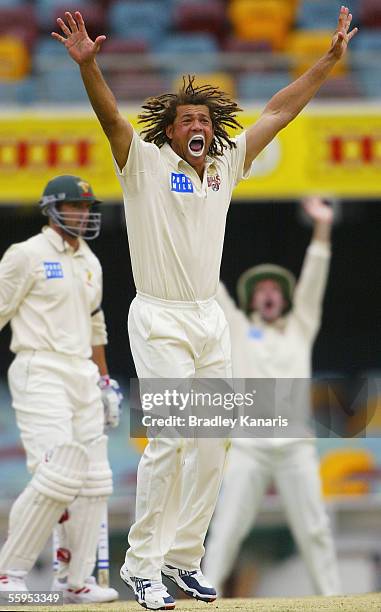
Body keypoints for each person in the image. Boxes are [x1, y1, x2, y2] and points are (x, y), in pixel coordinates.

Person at [52, 7, 356, 610]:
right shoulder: (144, 161)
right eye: (185, 117)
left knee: (215, 441)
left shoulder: (225, 164)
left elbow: (278, 111)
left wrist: (325, 62)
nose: (195, 122)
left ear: (214, 130)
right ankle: (141, 566)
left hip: (208, 320)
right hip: (159, 315)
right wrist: (90, 68)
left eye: (203, 118)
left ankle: (184, 561)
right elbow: (111, 115)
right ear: (169, 128)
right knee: (170, 439)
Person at [203, 197, 341, 597]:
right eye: (260, 289)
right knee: (227, 526)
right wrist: (197, 227)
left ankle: (333, 600)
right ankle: (206, 595)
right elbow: (211, 284)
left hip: (296, 446)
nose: (267, 294)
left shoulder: (301, 326)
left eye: (274, 289)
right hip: (250, 445)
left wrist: (322, 228)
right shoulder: (240, 328)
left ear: (283, 297)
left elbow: (315, 277)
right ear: (251, 299)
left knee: (315, 527)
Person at [0, 175, 122, 604]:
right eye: (75, 207)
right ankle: (8, 572)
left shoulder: (90, 260)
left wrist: (105, 381)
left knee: (94, 481)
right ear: (52, 209)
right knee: (57, 475)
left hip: (82, 376)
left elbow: (95, 324)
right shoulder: (25, 256)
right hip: (39, 368)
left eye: (88, 208)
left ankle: (75, 581)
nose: (84, 214)